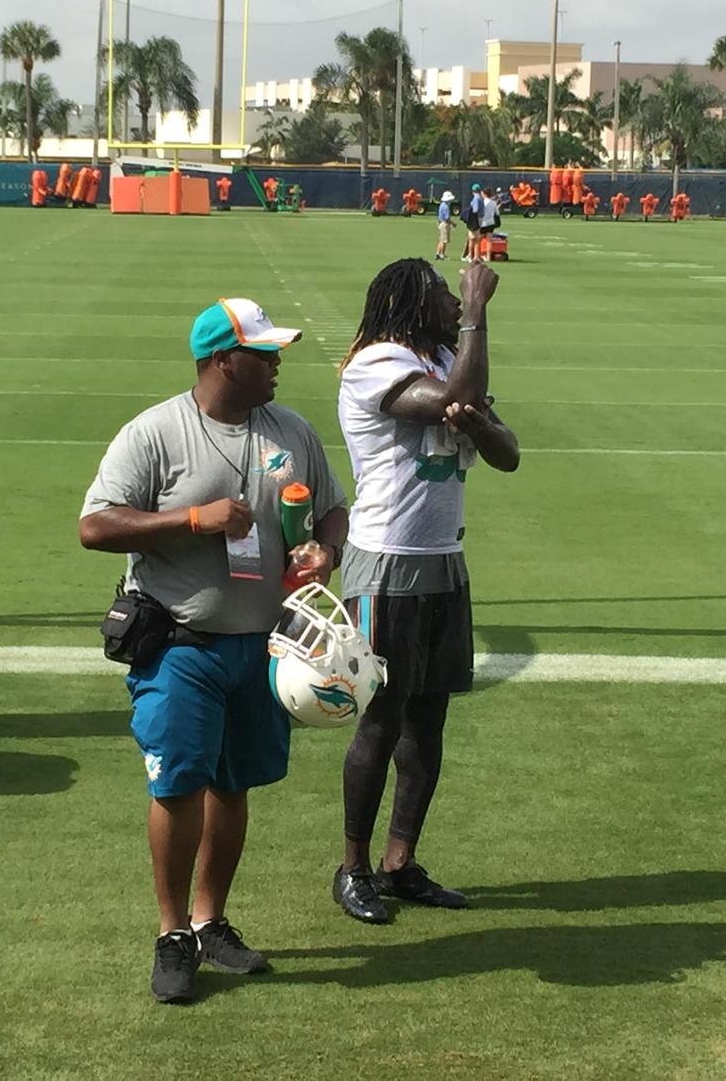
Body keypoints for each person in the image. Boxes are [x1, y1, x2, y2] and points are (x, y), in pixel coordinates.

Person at [79, 297, 348, 1002]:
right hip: (180, 643)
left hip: (262, 646)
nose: (278, 363)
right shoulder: (155, 432)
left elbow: (331, 508)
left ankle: (210, 921)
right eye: (264, 353)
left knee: (234, 784)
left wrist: (325, 550)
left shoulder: (291, 429)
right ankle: (172, 933)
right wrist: (191, 519)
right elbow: (95, 525)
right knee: (178, 785)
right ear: (224, 360)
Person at [333, 258, 520, 924]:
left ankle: (400, 861)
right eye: (442, 292)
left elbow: (506, 451)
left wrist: (482, 422)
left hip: (444, 559)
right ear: (411, 303)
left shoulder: (445, 358)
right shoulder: (375, 361)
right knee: (381, 719)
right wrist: (477, 309)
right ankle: (352, 867)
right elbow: (451, 403)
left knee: (428, 719)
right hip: (387, 560)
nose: (454, 301)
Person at [461, 183, 484, 263]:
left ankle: (470, 255)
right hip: (479, 219)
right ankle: (476, 256)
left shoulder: (476, 198)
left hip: (474, 220)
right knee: (477, 239)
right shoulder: (480, 197)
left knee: (471, 238)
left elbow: (475, 210)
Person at [478, 188, 501, 255]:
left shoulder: (482, 202)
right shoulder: (493, 203)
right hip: (491, 223)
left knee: (478, 240)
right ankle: (488, 256)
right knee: (489, 241)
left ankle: (478, 255)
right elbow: (497, 213)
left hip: (483, 223)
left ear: (485, 194)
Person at [434, 190, 455, 260]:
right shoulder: (446, 207)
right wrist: (453, 223)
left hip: (441, 223)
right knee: (444, 240)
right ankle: (442, 254)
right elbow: (447, 218)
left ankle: (438, 253)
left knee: (441, 239)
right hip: (444, 224)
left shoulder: (442, 205)